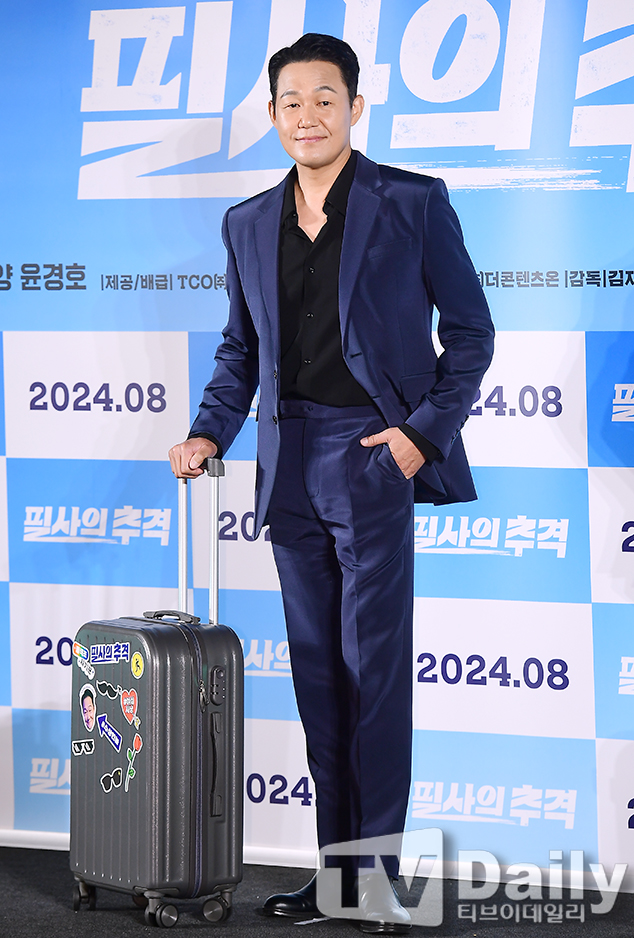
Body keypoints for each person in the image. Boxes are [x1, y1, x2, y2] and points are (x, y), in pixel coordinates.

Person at [169, 33, 494, 933]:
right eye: (291, 102)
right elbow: (241, 350)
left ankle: (377, 880)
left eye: (324, 98)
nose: (307, 116)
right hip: (288, 460)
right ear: (272, 114)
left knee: (372, 672)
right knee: (318, 675)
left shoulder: (410, 201)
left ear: (355, 106)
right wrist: (208, 429)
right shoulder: (246, 221)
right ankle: (335, 877)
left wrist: (419, 437)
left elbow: (471, 334)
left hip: (371, 456)